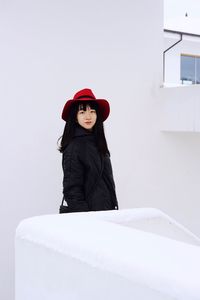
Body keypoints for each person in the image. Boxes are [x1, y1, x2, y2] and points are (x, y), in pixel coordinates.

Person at [58, 88, 118, 213]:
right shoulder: (74, 147)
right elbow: (72, 190)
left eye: (92, 111)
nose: (88, 116)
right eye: (82, 112)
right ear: (75, 116)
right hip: (90, 220)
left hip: (106, 215)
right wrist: (88, 220)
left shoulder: (98, 143)